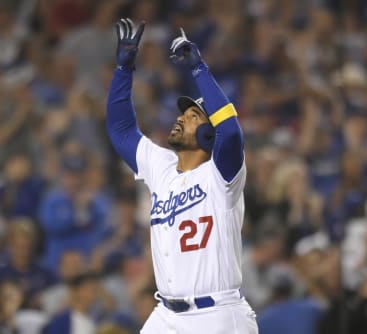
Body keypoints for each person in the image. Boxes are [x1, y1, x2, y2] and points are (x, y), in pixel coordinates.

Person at [106, 18, 258, 333]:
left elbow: (230, 133)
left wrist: (199, 69)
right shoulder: (162, 168)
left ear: (208, 135)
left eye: (192, 116)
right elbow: (120, 131)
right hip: (166, 315)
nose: (180, 118)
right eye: (182, 113)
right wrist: (123, 71)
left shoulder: (222, 175)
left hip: (217, 314)